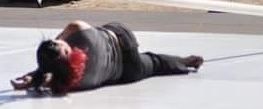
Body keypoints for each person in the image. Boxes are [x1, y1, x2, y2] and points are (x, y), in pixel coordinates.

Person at [11, 20, 204, 95]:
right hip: (121, 37)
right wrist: (59, 38)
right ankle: (185, 61)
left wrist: (34, 77)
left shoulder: (73, 84)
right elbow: (73, 25)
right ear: (65, 50)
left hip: (126, 72)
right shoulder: (79, 33)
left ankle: (186, 62)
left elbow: (52, 76)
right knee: (155, 61)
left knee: (154, 64)